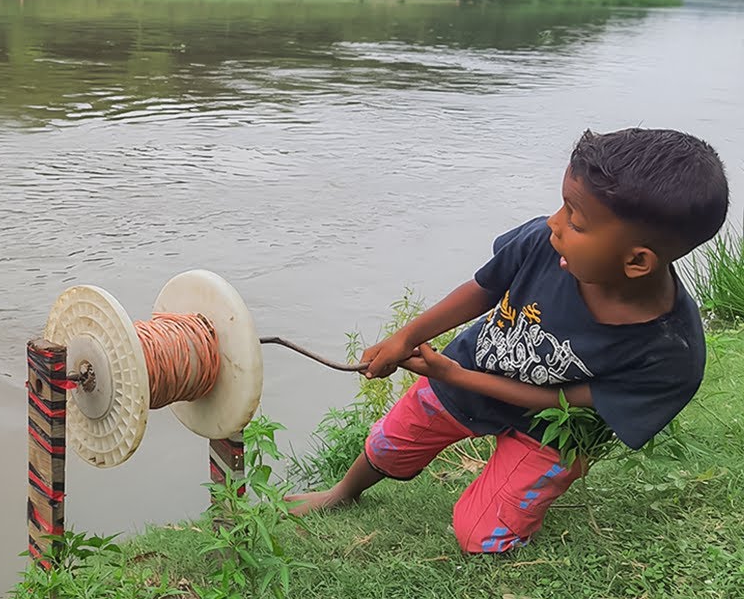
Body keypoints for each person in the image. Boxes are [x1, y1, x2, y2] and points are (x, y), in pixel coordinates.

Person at [285, 127, 730, 553]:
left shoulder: (669, 354)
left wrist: (453, 375)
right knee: (392, 441)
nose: (553, 224)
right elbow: (483, 288)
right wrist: (407, 337)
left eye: (575, 220)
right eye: (562, 207)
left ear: (637, 261)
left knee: (480, 536)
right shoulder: (544, 242)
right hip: (473, 366)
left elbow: (567, 402)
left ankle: (523, 491)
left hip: (551, 429)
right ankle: (343, 491)